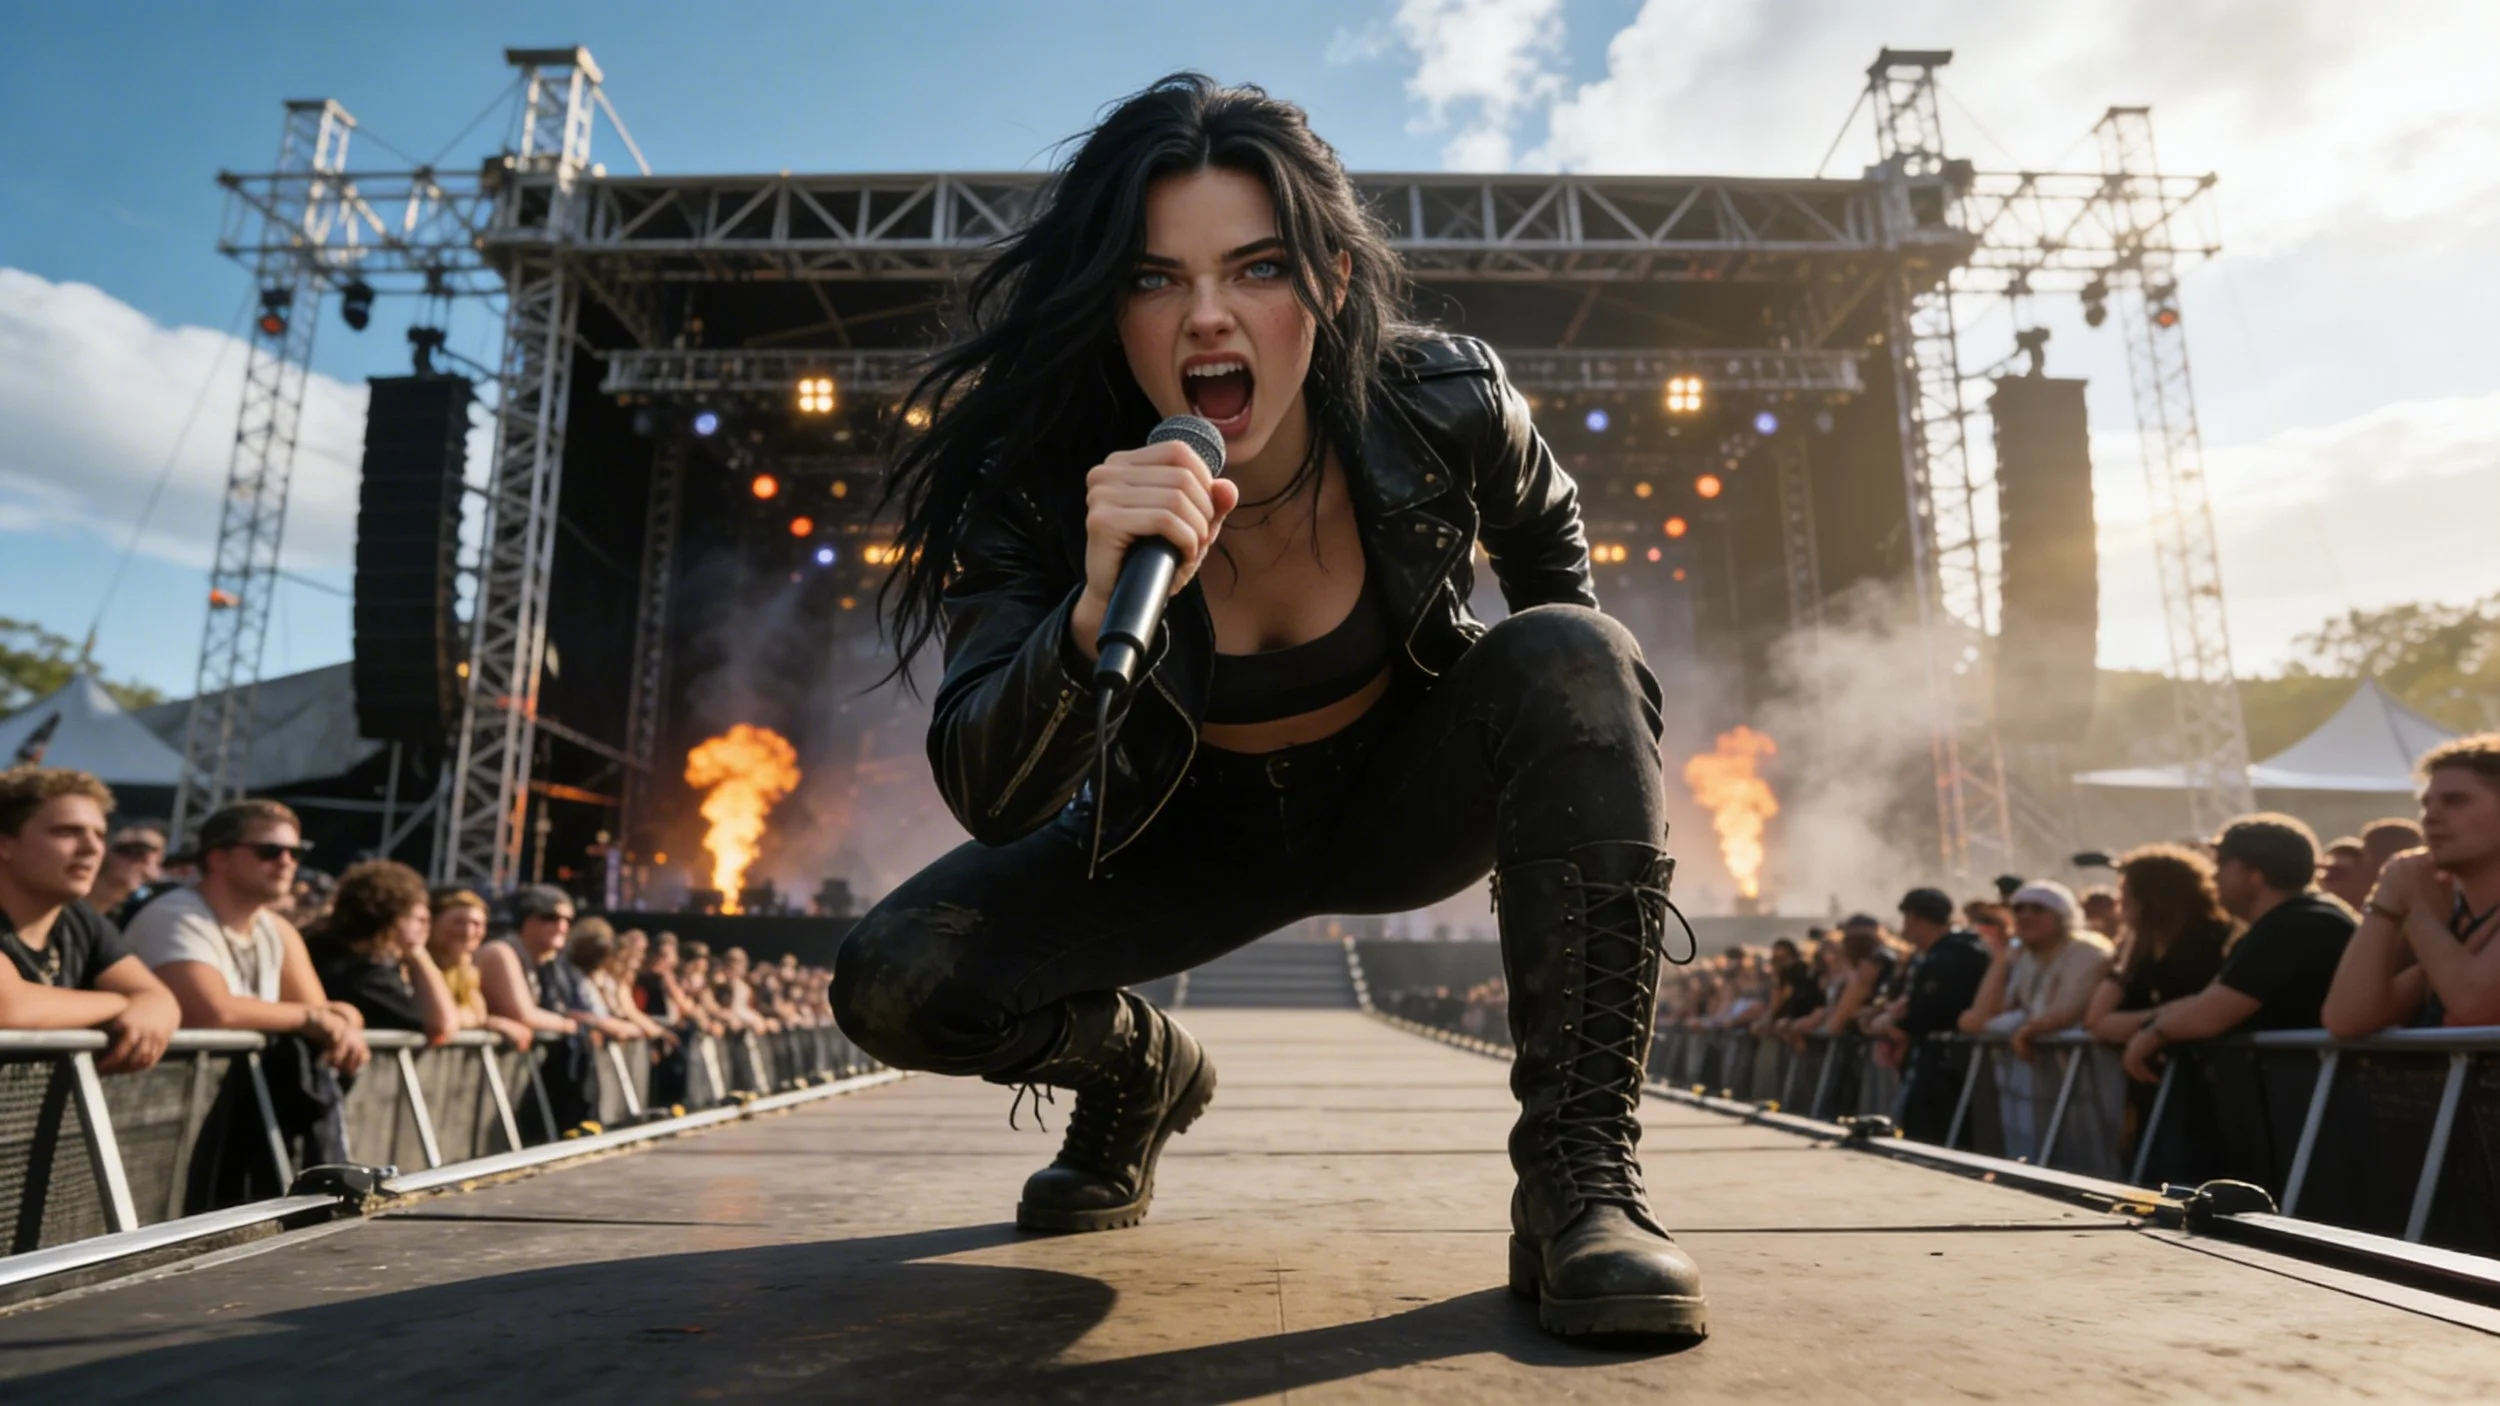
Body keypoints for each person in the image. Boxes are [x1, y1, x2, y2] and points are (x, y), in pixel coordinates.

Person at [830, 74, 1704, 1341]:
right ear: (1109, 308)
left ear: (1330, 283)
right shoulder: (1035, 488)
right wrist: (1087, 615)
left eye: (1253, 269)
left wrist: (1567, 758)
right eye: (1150, 279)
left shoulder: (1445, 403)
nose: (1203, 318)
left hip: (1401, 798)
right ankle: (1141, 1078)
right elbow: (989, 784)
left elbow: (1551, 553)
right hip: (1173, 834)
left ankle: (1580, 1187)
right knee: (891, 981)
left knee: (1576, 649)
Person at [124, 800, 369, 1075]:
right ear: (219, 859)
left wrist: (344, 1018)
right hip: (155, 1100)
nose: (286, 862)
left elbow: (317, 1011)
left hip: (221, 1099)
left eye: (297, 852)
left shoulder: (277, 929)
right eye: (269, 851)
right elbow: (213, 1012)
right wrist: (313, 1018)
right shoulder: (174, 915)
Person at [2122, 815, 2356, 1083]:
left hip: (2316, 1095)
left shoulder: (2298, 924)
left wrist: (2155, 1033)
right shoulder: (2295, 919)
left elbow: (2211, 1013)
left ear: (2254, 875)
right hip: (2300, 1093)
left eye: (2222, 864)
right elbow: (2214, 999)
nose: (2212, 875)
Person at [0, 767, 180, 1071]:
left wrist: (148, 1003)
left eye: (99, 834)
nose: (93, 848)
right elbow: (9, 1006)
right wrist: (123, 1003)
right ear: (5, 844)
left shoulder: (79, 918)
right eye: (67, 832)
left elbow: (160, 998)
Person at [2324, 735, 2500, 1034]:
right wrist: (2384, 907)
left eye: (2455, 801)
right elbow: (2347, 1019)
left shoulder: (2426, 909)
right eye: (2426, 803)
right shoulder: (2449, 917)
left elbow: (2475, 1006)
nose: (2431, 817)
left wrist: (2415, 906)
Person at [1868, 887, 1989, 1143]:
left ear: (1913, 917)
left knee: (1936, 1133)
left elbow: (1934, 1009)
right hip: (1928, 1058)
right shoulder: (1933, 954)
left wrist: (1900, 1021)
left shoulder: (1954, 954)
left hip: (1948, 1064)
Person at [307, 859, 459, 1042]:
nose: (426, 928)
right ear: (393, 919)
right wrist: (417, 952)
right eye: (419, 920)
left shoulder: (319, 949)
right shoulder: (366, 978)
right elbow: (442, 1025)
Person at [1959, 881, 2111, 1061]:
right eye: (2018, 910)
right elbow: (1981, 1018)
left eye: (2038, 909)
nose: (2026, 916)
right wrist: (2001, 961)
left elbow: (2066, 1010)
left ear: (2062, 916)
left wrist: (2028, 1030)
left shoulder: (2086, 952)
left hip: (2083, 1067)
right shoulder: (2023, 958)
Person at [476, 885, 588, 1047]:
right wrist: (570, 1025)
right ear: (527, 919)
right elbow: (524, 1015)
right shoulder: (501, 952)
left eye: (568, 920)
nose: (562, 927)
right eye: (550, 917)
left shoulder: (548, 964)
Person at [426, 887, 532, 1047]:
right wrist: (483, 1022)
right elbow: (432, 1015)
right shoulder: (416, 964)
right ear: (433, 923)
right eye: (458, 922)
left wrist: (483, 1020)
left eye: (477, 924)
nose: (468, 932)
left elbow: (476, 1011)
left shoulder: (467, 971)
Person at [87, 822, 165, 923]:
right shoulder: (74, 897)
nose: (146, 859)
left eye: (156, 853)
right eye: (135, 850)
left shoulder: (152, 904)